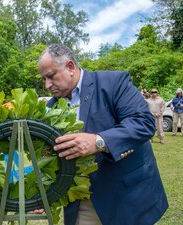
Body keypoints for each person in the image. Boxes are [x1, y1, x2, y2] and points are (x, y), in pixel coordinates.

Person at [38, 44, 168, 225]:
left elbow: (143, 122)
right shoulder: (50, 109)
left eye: (51, 76)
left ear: (70, 67)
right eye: (44, 79)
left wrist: (98, 141)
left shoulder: (114, 82)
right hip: (81, 202)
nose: (47, 85)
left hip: (127, 198)